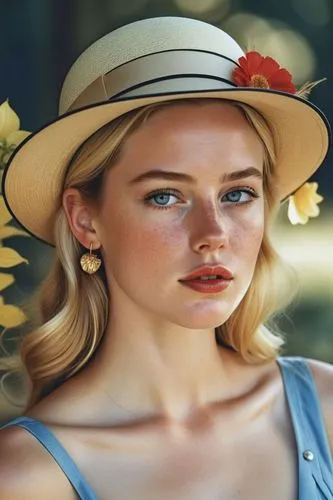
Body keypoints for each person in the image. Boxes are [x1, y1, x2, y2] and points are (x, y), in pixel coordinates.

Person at [0, 15, 332, 500]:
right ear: (85, 220)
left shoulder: (325, 410)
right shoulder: (25, 476)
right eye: (165, 196)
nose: (212, 235)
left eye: (238, 193)